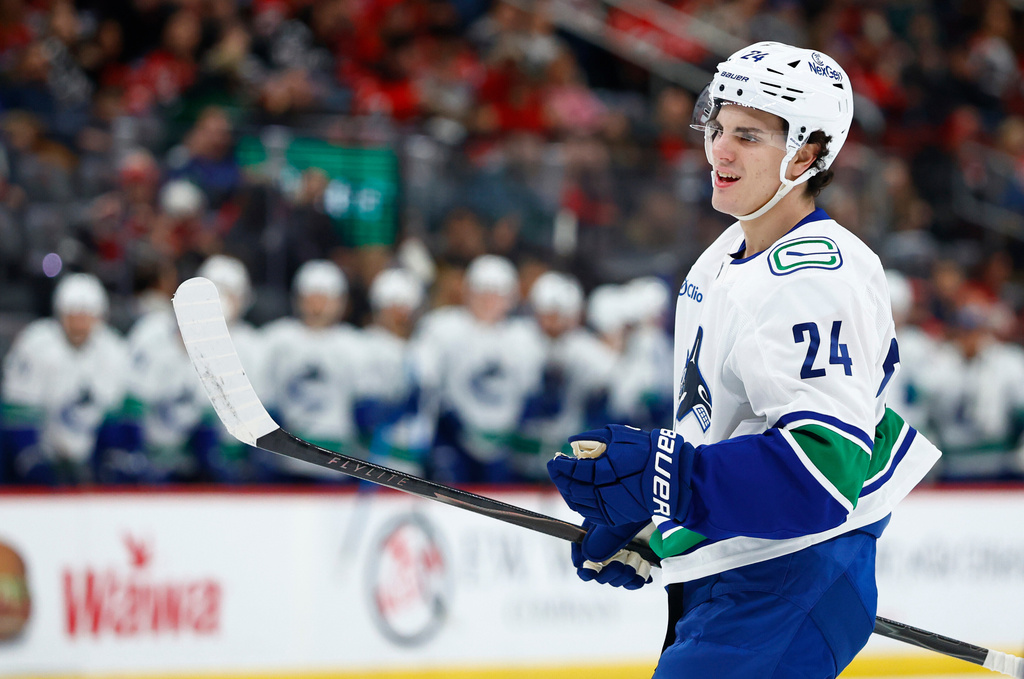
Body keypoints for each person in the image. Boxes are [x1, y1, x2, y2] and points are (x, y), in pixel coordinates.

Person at [547, 42, 942, 678]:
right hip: (743, 563)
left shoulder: (815, 277)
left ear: (807, 154)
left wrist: (666, 480)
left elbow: (823, 473)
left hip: (797, 571)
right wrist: (659, 524)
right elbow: (728, 431)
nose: (719, 150)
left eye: (749, 136)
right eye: (719, 127)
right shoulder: (728, 251)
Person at [1, 273, 129, 485]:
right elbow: (18, 413)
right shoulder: (36, 344)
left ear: (99, 317)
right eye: (72, 316)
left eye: (85, 316)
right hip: (41, 449)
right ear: (59, 314)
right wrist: (32, 459)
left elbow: (113, 417)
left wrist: (107, 460)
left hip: (87, 454)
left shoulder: (113, 350)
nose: (78, 324)